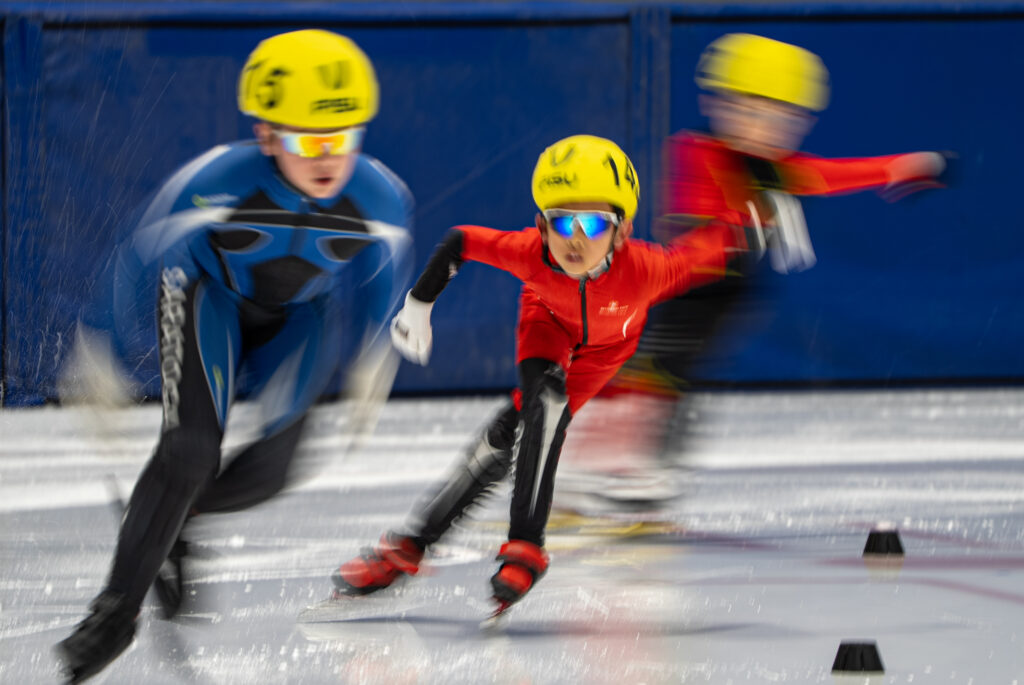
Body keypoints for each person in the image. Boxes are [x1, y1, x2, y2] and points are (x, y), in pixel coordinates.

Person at [56, 29, 412, 683]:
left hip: (299, 321)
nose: (329, 158)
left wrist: (372, 354)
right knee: (190, 450)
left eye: (344, 136)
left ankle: (172, 518)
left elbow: (386, 272)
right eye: (309, 140)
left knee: (270, 472)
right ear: (268, 135)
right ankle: (113, 613)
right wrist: (98, 347)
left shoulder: (381, 197)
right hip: (207, 299)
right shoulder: (214, 182)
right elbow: (137, 255)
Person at [331, 134, 756, 614]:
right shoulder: (529, 253)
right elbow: (460, 242)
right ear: (540, 225)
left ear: (622, 232)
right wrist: (417, 305)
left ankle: (411, 545)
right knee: (544, 406)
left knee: (506, 436)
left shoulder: (650, 269)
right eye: (561, 222)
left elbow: (707, 250)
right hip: (546, 324)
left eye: (594, 223)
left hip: (605, 352)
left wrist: (748, 224)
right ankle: (524, 546)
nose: (575, 238)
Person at [559, 33, 951, 511]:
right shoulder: (697, 150)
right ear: (716, 104)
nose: (759, 126)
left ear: (798, 123)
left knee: (671, 376)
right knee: (642, 371)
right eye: (745, 109)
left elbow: (833, 175)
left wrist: (905, 166)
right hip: (685, 285)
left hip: (728, 292)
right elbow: (696, 228)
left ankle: (645, 469)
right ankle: (590, 465)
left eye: (777, 117)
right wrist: (740, 227)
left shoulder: (774, 169)